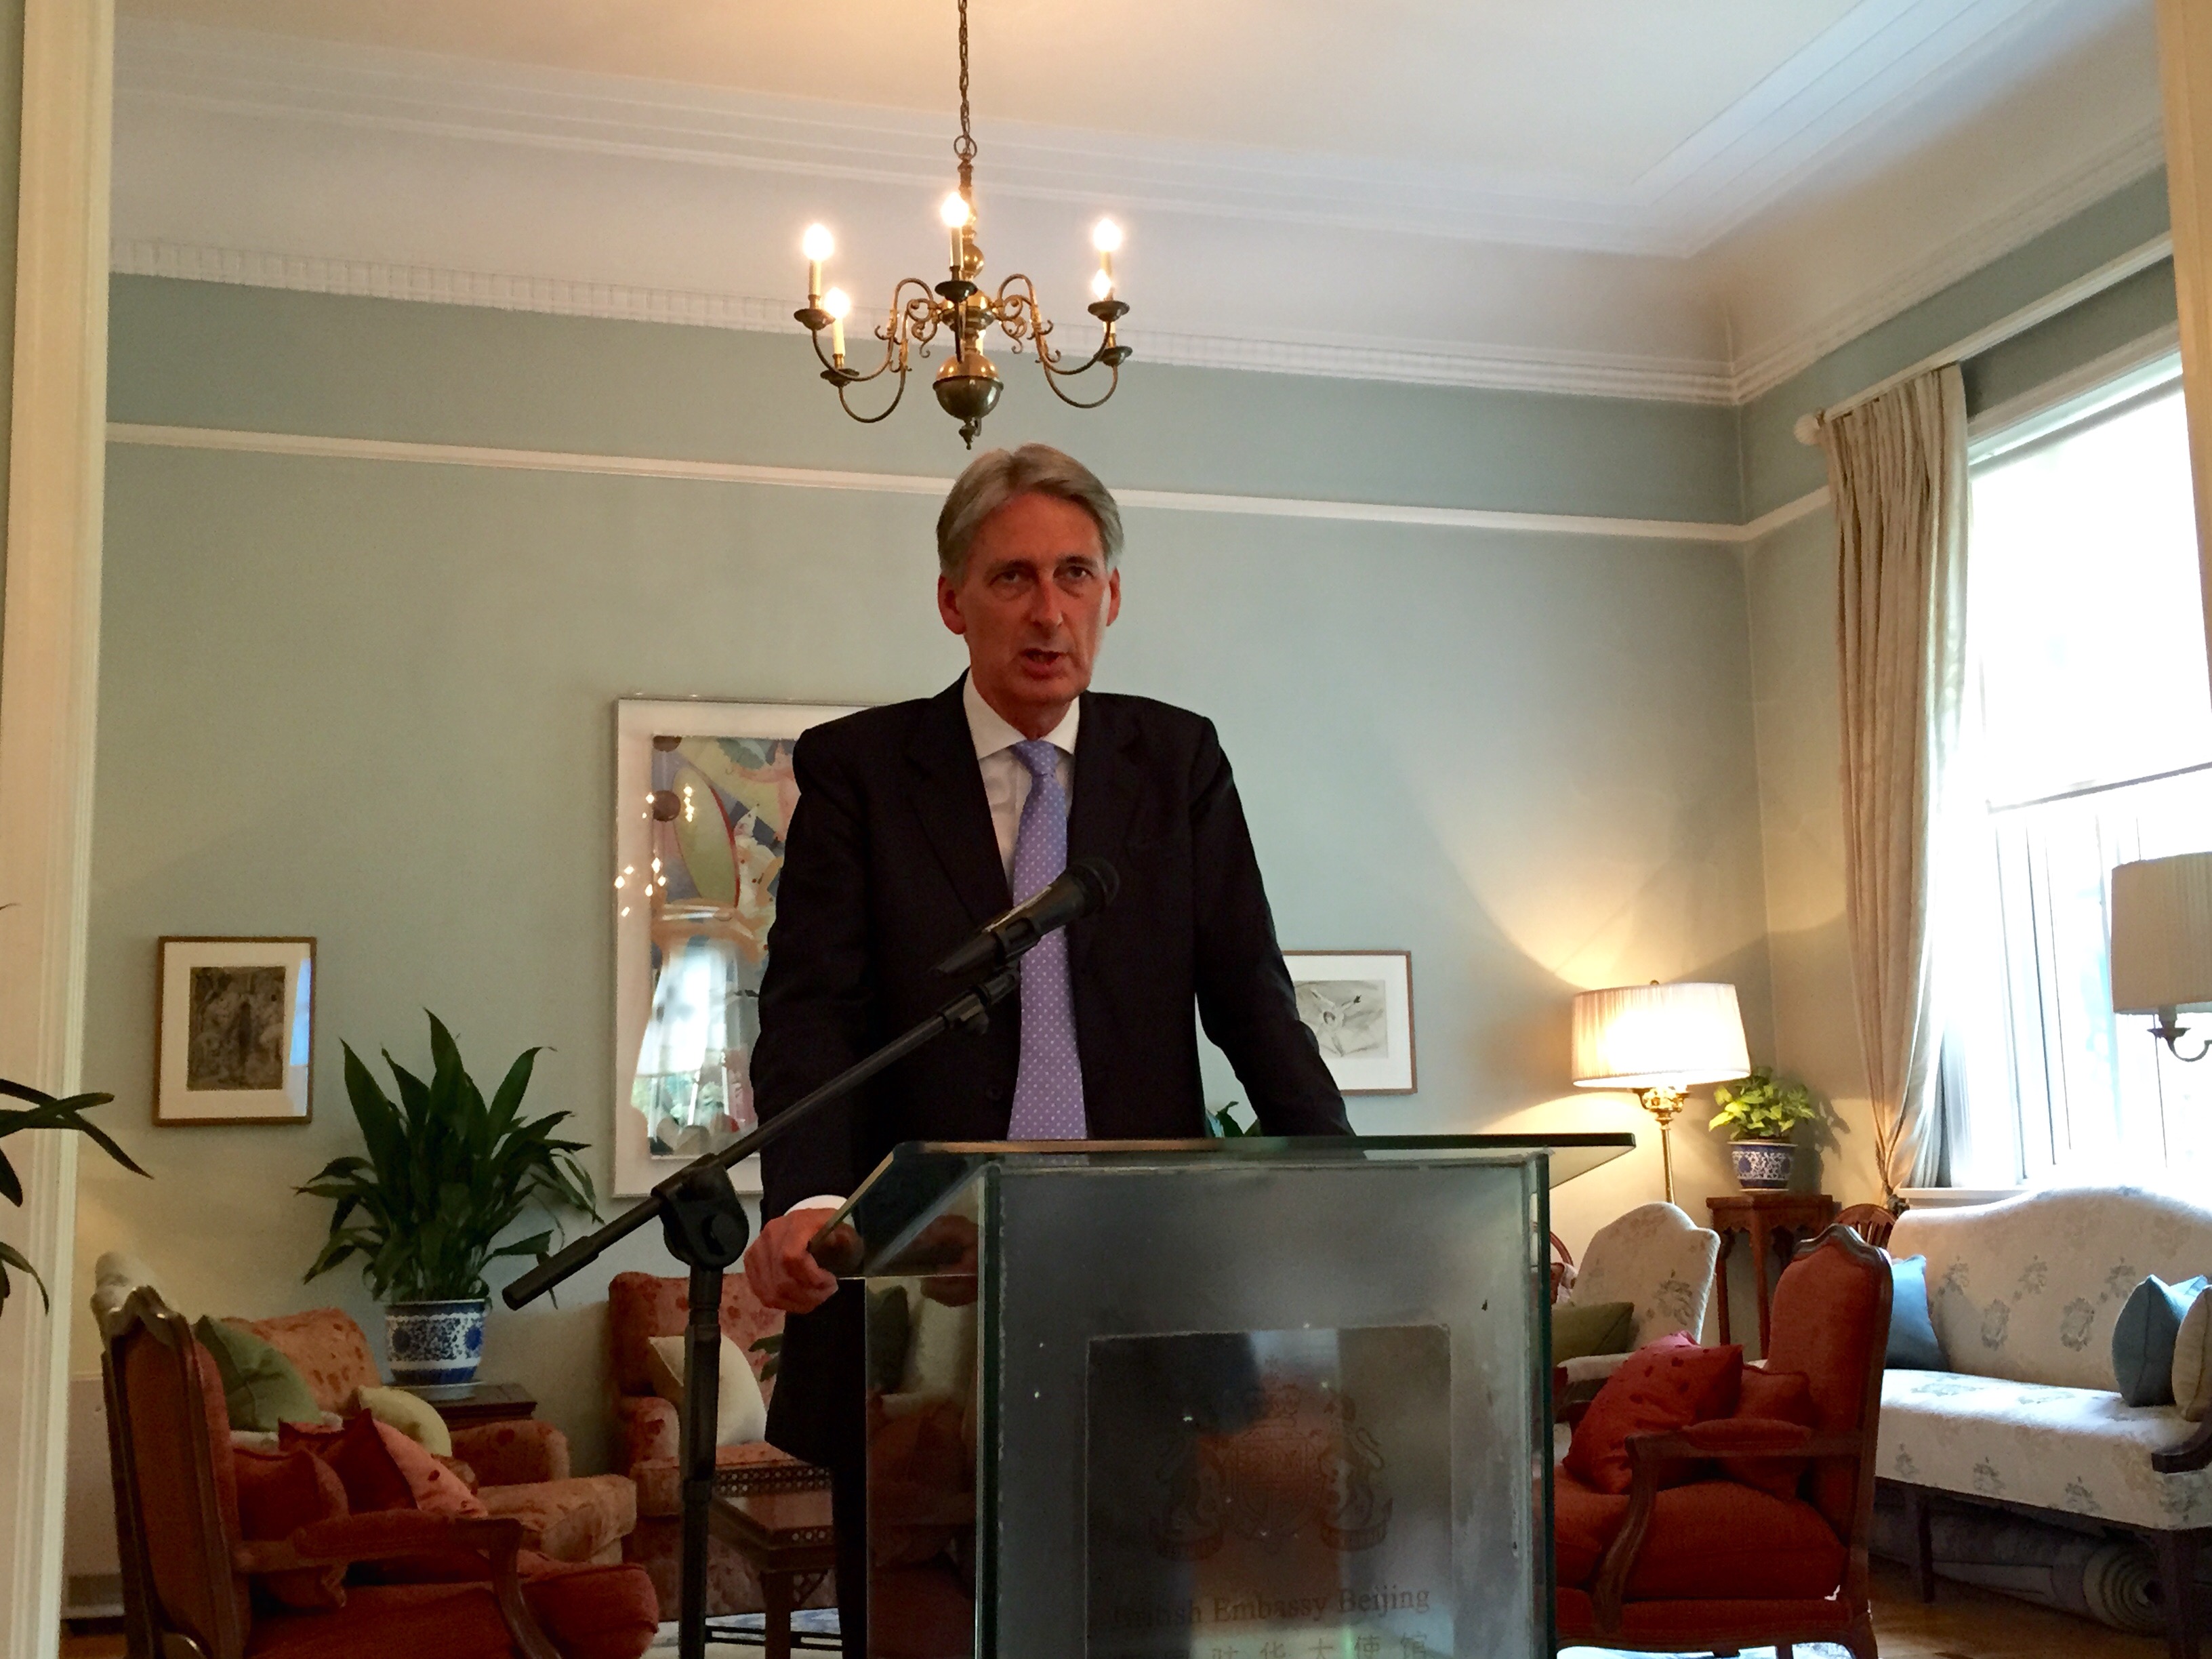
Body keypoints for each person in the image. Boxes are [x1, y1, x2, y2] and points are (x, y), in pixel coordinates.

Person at [740, 443, 1349, 1655]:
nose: (1048, 608)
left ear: (1112, 596)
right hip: (921, 1295)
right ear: (952, 601)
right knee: (921, 1626)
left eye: (1076, 574)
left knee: (1137, 1622)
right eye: (1013, 577)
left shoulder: (1174, 762)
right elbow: (810, 1014)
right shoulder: (862, 771)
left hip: (1135, 1289)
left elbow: (1251, 998)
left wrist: (1348, 1191)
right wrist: (808, 1201)